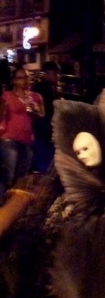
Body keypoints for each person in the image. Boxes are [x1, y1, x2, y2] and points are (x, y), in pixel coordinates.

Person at [0, 66, 44, 201]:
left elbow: (41, 116)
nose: (24, 80)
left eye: (26, 77)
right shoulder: (7, 96)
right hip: (9, 138)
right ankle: (3, 202)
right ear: (14, 81)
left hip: (27, 140)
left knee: (21, 176)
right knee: (9, 174)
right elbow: (1, 115)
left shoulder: (36, 97)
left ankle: (13, 203)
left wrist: (35, 111)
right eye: (20, 78)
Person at [31, 60, 60, 173]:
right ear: (48, 74)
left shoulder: (42, 87)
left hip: (41, 125)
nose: (57, 76)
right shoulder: (44, 88)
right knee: (44, 154)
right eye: (55, 73)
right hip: (44, 126)